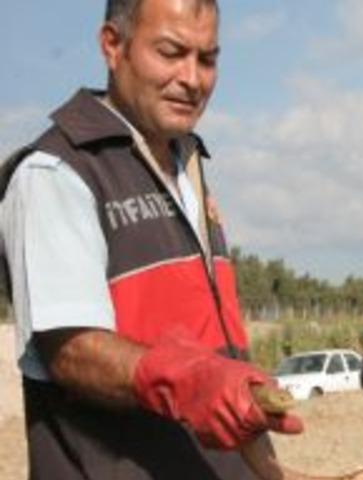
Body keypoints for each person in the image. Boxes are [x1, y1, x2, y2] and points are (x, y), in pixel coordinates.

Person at [0, 1, 303, 478]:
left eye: (207, 59)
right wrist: (183, 380)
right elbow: (71, 351)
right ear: (112, 46)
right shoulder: (57, 173)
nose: (192, 78)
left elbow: (219, 358)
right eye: (171, 52)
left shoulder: (189, 167)